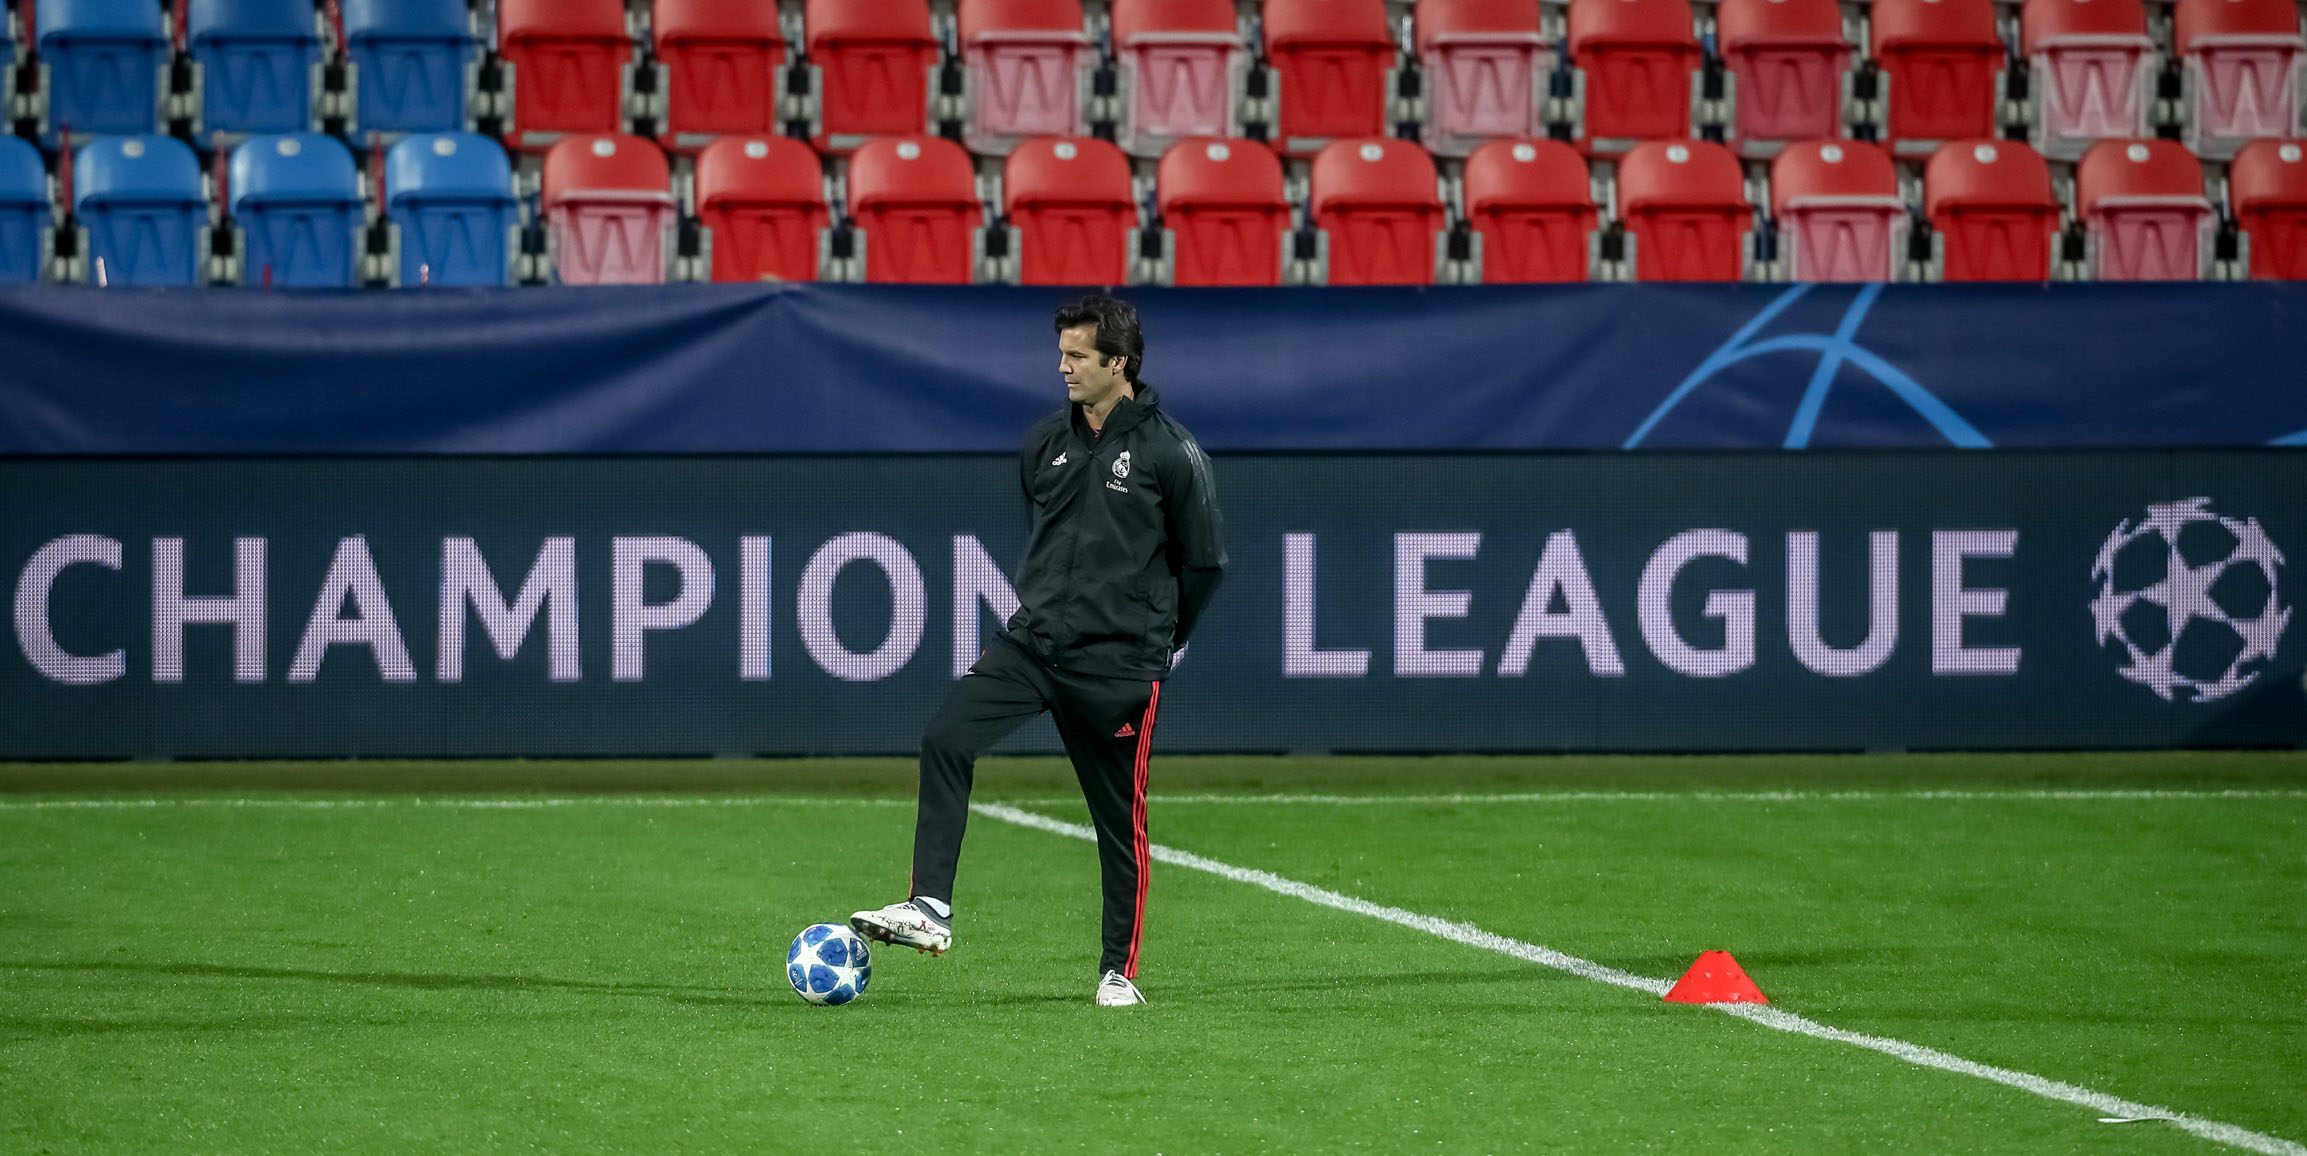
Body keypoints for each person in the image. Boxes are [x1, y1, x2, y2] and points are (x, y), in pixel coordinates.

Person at [851, 294, 1227, 1007]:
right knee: (945, 737)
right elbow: (1049, 534)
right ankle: (929, 907)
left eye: (1077, 356)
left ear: (1119, 363)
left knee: (1118, 824)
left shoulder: (1171, 452)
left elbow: (1204, 564)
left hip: (1118, 666)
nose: (1063, 367)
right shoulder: (1045, 442)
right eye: (1061, 354)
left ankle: (1117, 972)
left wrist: (1161, 638)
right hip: (1033, 645)